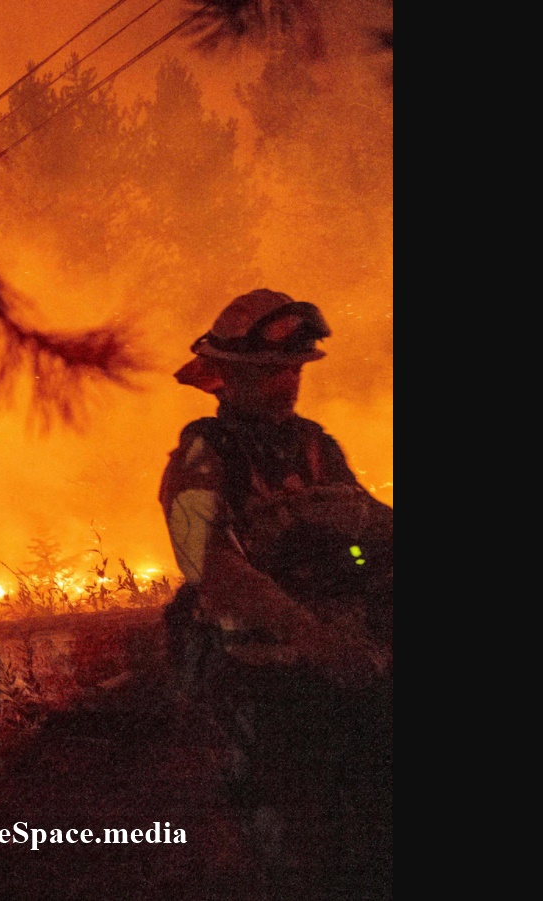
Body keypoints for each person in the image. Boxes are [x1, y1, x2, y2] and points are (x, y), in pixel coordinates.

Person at [158, 289, 392, 898]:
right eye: (271, 371)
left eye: (294, 369)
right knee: (302, 854)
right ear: (228, 376)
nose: (288, 382)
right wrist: (315, 640)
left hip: (350, 670)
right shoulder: (203, 457)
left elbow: (373, 531)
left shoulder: (316, 448)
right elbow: (213, 570)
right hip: (265, 683)